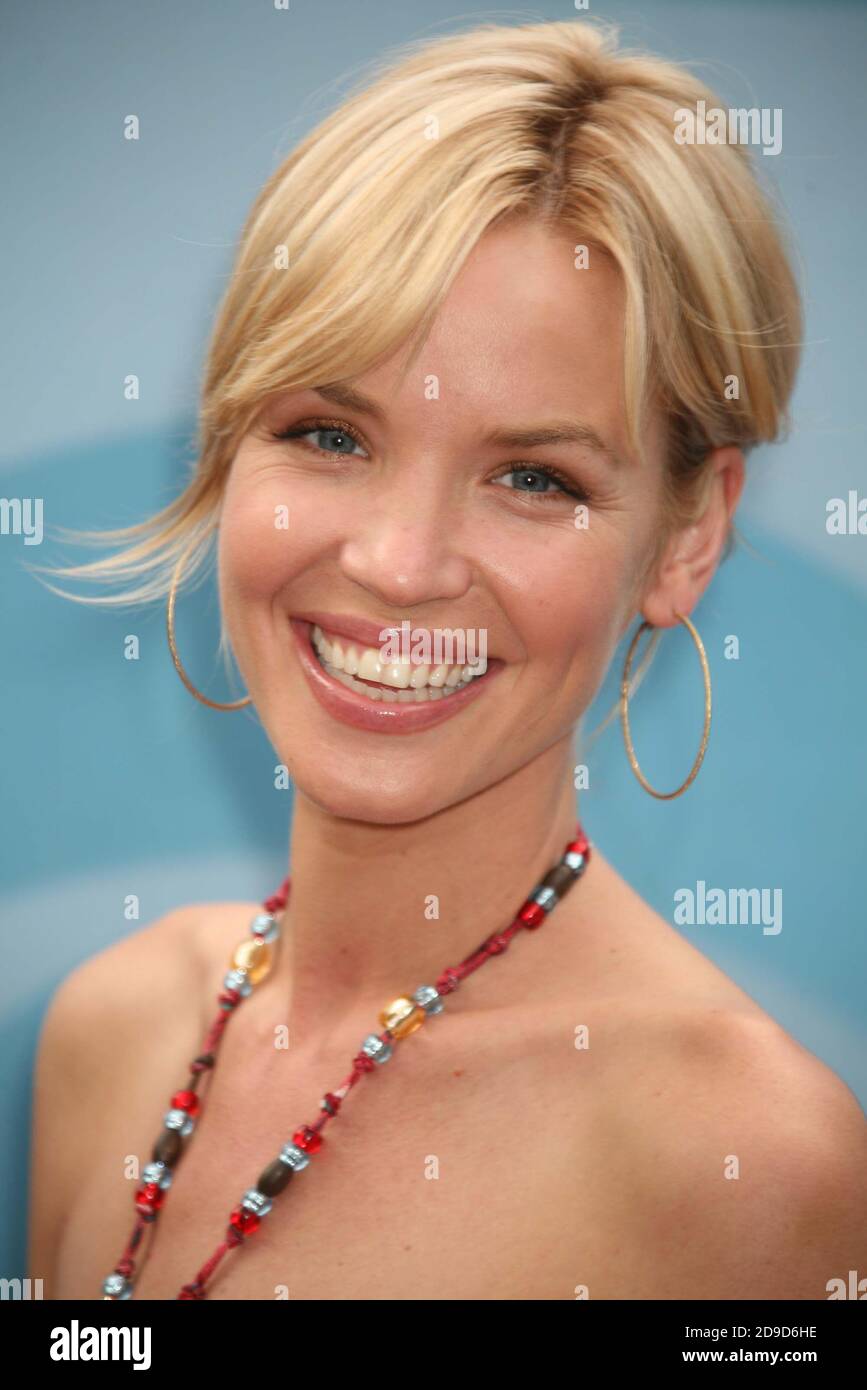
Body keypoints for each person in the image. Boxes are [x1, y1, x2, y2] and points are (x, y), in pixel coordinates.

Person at [28, 18, 866, 1300]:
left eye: (534, 476)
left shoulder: (746, 1164)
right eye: (326, 434)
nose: (402, 563)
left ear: (688, 534)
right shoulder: (110, 1026)